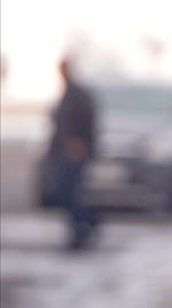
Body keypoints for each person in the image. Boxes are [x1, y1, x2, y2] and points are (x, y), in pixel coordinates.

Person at [49, 59, 98, 250]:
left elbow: (89, 121)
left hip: (75, 154)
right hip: (62, 152)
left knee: (72, 194)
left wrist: (82, 144)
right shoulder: (66, 93)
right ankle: (89, 223)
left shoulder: (78, 94)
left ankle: (81, 232)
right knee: (65, 193)